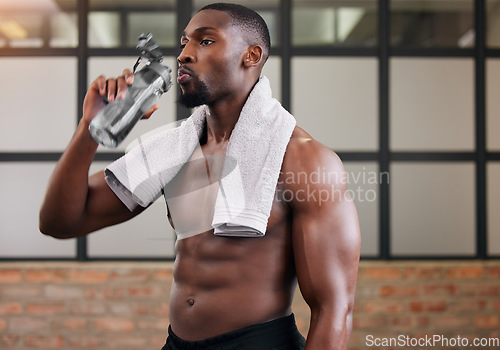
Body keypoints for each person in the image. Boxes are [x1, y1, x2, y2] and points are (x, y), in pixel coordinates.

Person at [39, 3, 360, 349]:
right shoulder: (174, 149)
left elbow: (333, 308)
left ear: (250, 55)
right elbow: (60, 222)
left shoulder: (303, 158)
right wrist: (90, 128)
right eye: (183, 43)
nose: (184, 55)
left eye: (205, 42)